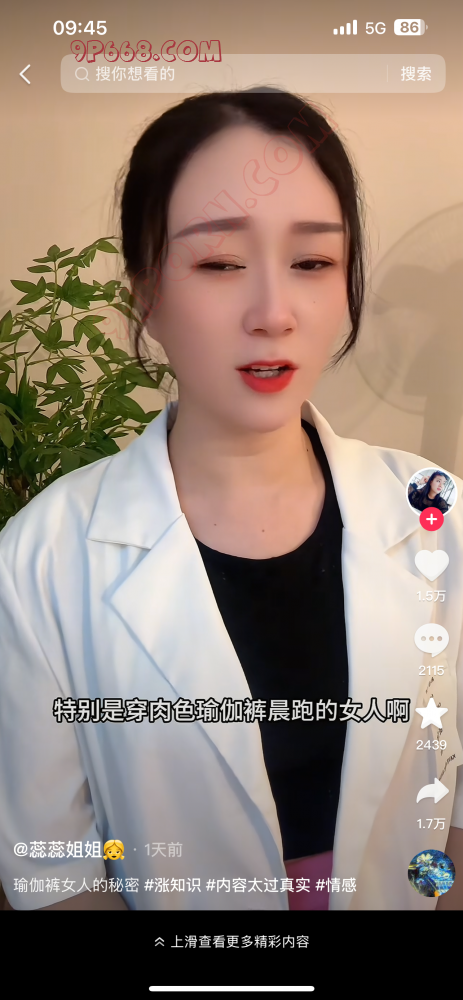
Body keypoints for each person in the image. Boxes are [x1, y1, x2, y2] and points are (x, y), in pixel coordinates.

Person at [1, 88, 462, 912]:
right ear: (144, 291)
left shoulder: (438, 517)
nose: (273, 314)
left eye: (312, 263)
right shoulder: (40, 560)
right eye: (219, 264)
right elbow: (54, 877)